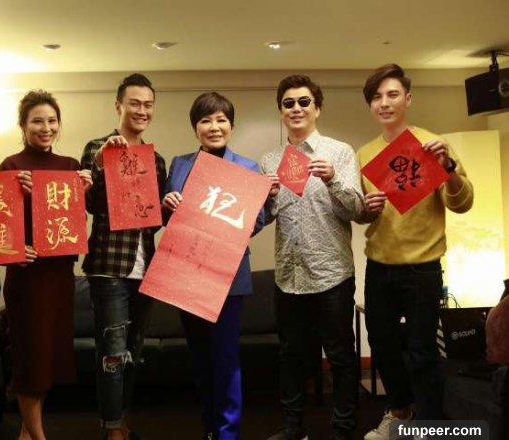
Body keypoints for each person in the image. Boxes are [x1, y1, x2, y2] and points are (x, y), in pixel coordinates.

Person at [357, 64, 474, 440]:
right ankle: (399, 412)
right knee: (382, 345)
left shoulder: (432, 144)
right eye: (377, 97)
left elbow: (462, 203)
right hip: (379, 264)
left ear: (408, 98)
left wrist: (447, 170)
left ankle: (430, 424)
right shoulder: (364, 154)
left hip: (423, 267)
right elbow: (360, 214)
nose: (384, 103)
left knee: (424, 351)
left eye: (392, 94)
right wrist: (365, 208)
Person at [261, 74, 363, 440]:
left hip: (331, 274)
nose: (296, 108)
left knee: (341, 356)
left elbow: (357, 210)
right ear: (281, 111)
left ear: (317, 108)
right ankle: (293, 429)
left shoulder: (340, 152)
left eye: (304, 101)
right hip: (289, 276)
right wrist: (266, 197)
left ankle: (343, 429)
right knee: (291, 357)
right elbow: (264, 218)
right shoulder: (270, 160)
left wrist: (333, 178)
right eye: (288, 103)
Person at [162, 91, 266, 440]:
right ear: (195, 128)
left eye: (221, 119)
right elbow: (170, 217)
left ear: (231, 126)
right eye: (205, 120)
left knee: (225, 358)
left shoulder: (248, 167)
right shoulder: (180, 164)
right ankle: (210, 428)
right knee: (201, 358)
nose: (214, 126)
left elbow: (258, 220)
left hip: (227, 275)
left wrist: (234, 221)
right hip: (187, 272)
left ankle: (227, 433)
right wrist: (167, 202)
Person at [0, 90, 93, 440]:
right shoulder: (11, 166)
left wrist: (84, 191)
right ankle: (38, 436)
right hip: (27, 277)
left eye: (52, 121)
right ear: (23, 125)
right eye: (37, 121)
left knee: (49, 358)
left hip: (60, 274)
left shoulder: (70, 166)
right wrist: (15, 247)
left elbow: (73, 223)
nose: (46, 127)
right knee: (31, 358)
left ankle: (27, 431)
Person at [80, 73, 166, 440]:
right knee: (112, 353)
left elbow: (153, 220)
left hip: (145, 267)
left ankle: (120, 418)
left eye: (148, 105)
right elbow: (88, 204)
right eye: (135, 103)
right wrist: (101, 164)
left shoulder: (155, 160)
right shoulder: (96, 148)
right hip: (109, 266)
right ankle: (112, 428)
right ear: (119, 105)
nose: (142, 110)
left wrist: (167, 204)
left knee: (134, 351)